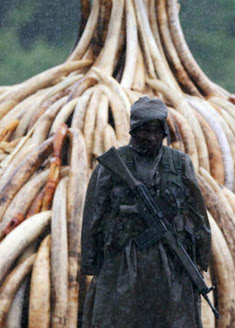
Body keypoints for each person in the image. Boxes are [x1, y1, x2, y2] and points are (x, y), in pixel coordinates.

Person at [81, 96, 212, 328]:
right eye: (144, 130)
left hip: (171, 261)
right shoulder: (114, 164)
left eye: (156, 130)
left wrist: (201, 257)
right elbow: (95, 212)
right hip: (123, 259)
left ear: (164, 131)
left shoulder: (180, 163)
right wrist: (91, 261)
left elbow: (197, 213)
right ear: (133, 130)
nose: (151, 137)